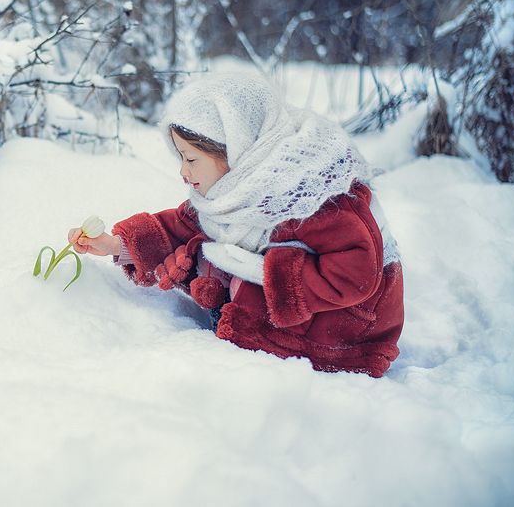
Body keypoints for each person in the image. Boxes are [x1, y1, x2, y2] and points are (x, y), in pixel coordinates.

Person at [68, 72, 404, 377]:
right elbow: (184, 225)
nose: (183, 172)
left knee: (226, 269)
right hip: (321, 308)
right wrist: (116, 245)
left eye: (191, 159)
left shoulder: (313, 195)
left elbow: (357, 274)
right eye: (180, 157)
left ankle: (249, 314)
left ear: (237, 151)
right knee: (205, 251)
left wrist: (262, 273)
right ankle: (232, 292)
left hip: (347, 329)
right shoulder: (239, 184)